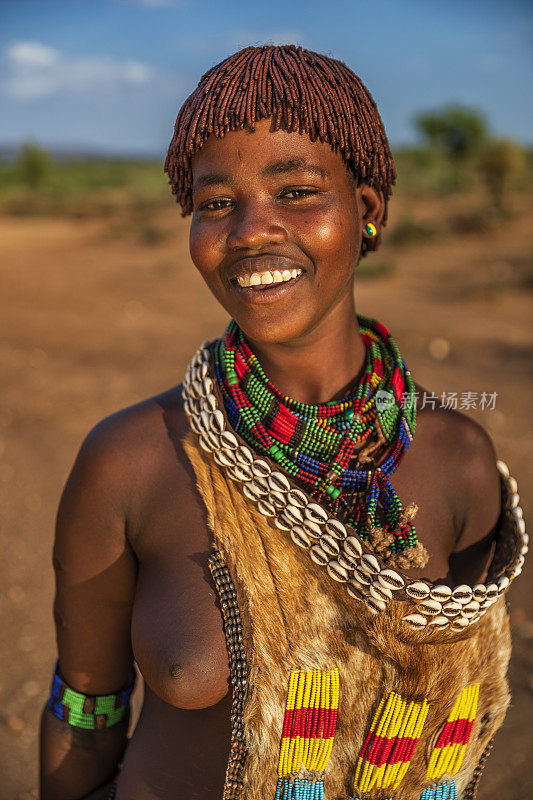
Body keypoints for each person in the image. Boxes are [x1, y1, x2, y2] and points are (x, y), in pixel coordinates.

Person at [39, 45, 526, 800]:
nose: (250, 231)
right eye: (215, 203)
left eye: (295, 191)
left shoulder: (455, 458)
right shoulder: (132, 462)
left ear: (364, 210)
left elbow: (449, 721)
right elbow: (86, 711)